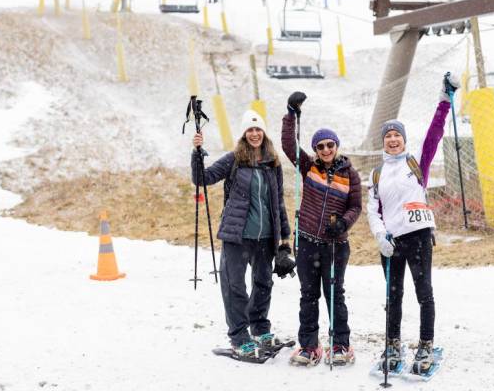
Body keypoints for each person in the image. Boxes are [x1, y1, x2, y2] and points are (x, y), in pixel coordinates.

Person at [367, 74, 459, 374]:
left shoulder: (416, 163)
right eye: (388, 137)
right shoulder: (377, 173)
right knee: (393, 296)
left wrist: (445, 99)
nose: (393, 140)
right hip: (391, 244)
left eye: (397, 135)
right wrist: (381, 236)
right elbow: (373, 209)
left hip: (418, 238)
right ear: (383, 142)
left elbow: (434, 133)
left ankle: (425, 344)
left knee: (424, 293)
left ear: (403, 140)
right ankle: (392, 343)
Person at [191, 109, 295, 360]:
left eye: (258, 129)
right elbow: (202, 178)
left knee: (263, 284)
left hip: (265, 236)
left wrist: (284, 238)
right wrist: (196, 154)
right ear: (244, 133)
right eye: (250, 129)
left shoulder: (273, 162)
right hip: (237, 236)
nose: (255, 133)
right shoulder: (234, 159)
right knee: (234, 286)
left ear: (264, 133)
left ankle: (260, 329)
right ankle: (239, 336)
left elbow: (277, 200)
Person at [282, 92, 362, 367]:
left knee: (334, 293)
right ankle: (309, 346)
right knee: (308, 294)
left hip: (335, 243)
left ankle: (340, 344)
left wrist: (343, 223)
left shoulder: (350, 173)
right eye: (320, 147)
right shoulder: (308, 168)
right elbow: (288, 145)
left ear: (336, 146)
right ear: (315, 150)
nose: (326, 150)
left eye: (330, 145)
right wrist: (291, 114)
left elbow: (356, 206)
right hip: (307, 241)